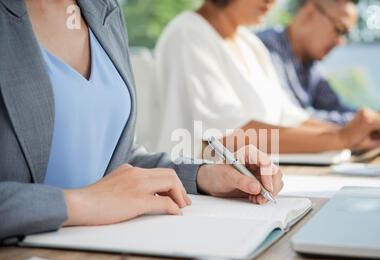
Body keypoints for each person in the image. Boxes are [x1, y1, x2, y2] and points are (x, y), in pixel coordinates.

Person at [0, 0, 283, 243]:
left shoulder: (102, 9)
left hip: (106, 247)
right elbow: (104, 192)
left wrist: (205, 176)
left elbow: (114, 159)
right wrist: (81, 203)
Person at [153, 0, 380, 157]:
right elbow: (224, 137)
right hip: (195, 193)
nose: (272, 1)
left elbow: (288, 116)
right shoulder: (188, 34)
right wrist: (340, 139)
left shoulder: (248, 43)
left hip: (246, 183)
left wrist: (357, 134)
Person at [257, 0, 380, 125]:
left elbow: (335, 107)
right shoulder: (265, 49)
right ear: (309, 14)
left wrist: (375, 117)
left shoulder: (310, 64)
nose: (341, 42)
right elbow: (290, 118)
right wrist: (370, 120)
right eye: (339, 30)